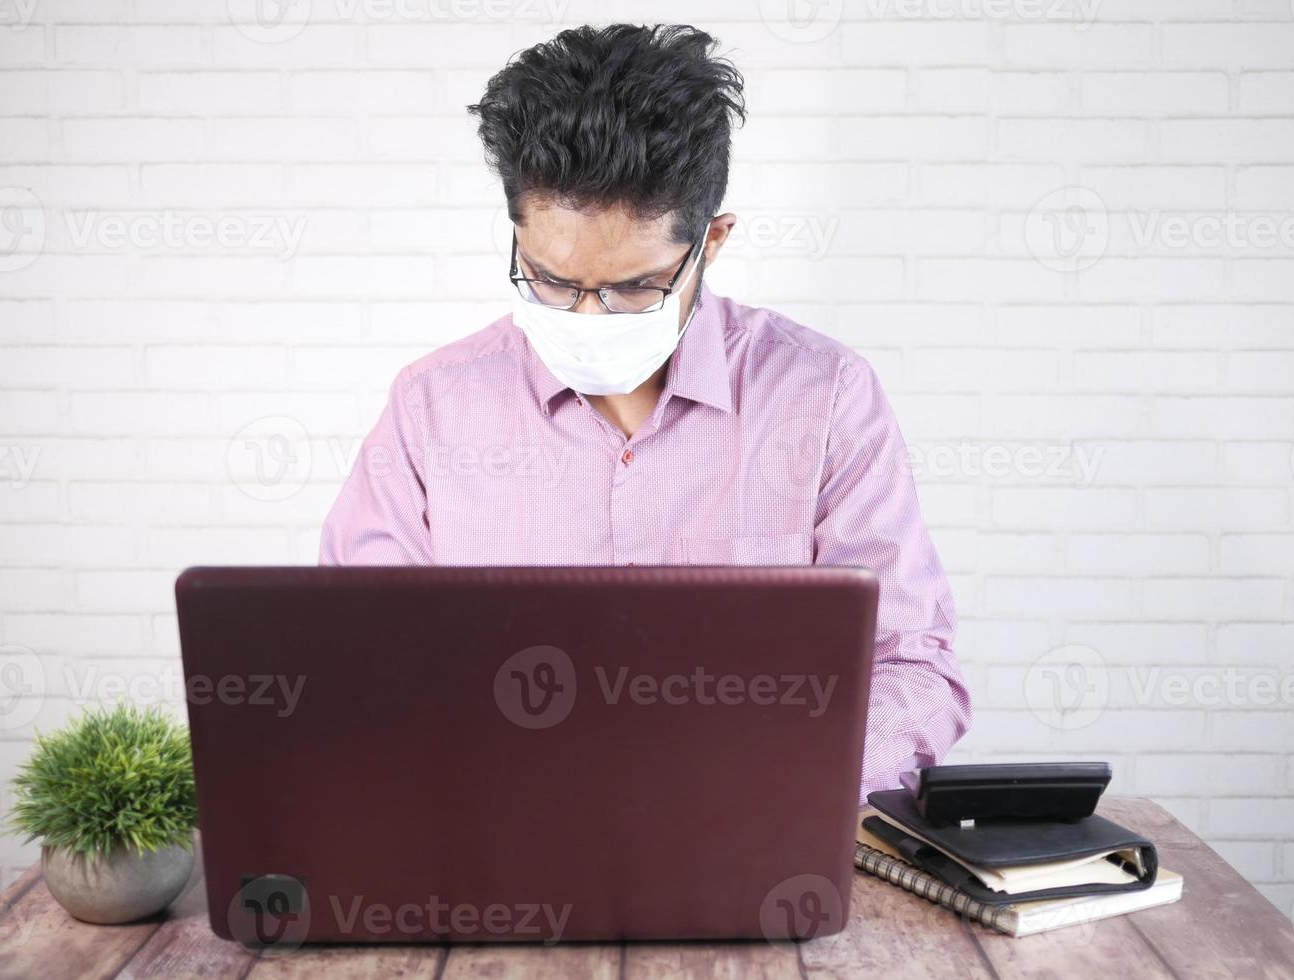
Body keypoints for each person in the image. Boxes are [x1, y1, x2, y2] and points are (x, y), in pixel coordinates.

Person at [320, 23, 970, 801]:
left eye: (634, 287)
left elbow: (909, 665)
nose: (587, 317)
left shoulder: (821, 397)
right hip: (498, 832)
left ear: (712, 242)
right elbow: (357, 659)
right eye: (551, 281)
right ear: (516, 239)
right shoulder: (435, 406)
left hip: (753, 842)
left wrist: (779, 783)